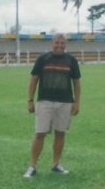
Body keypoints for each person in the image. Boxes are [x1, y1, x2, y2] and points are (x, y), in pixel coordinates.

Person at [23, 34, 81, 178]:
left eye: (62, 43)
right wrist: (30, 100)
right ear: (51, 44)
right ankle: (32, 166)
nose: (59, 45)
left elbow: (76, 82)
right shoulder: (43, 59)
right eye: (57, 43)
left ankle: (56, 164)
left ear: (65, 44)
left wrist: (77, 102)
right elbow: (34, 79)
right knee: (40, 134)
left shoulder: (71, 60)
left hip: (65, 102)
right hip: (45, 101)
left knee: (60, 133)